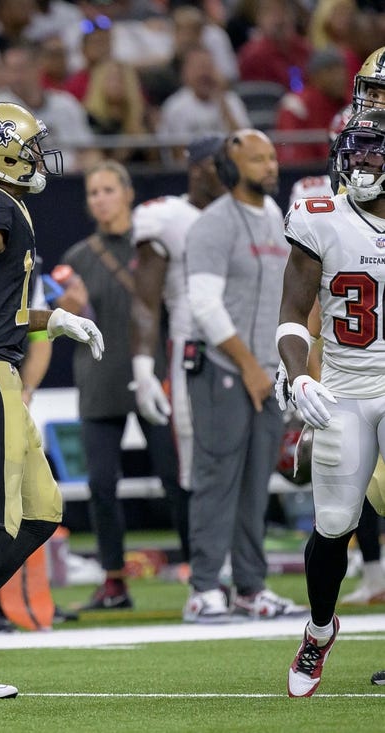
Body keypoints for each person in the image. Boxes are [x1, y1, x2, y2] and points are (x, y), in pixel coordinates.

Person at [0, 101, 104, 697]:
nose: (38, 156)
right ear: (1, 152)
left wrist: (49, 319)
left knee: (40, 512)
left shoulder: (3, 204)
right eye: (30, 146)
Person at [279, 108, 385, 696]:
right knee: (335, 523)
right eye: (356, 148)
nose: (361, 160)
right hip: (344, 387)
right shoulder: (320, 217)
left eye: (375, 150)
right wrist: (299, 378)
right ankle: (319, 633)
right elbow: (294, 314)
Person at [182, 129, 304, 623]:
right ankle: (204, 589)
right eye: (257, 159)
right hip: (223, 370)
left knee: (256, 482)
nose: (270, 166)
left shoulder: (276, 217)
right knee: (217, 478)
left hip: (267, 372)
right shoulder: (213, 224)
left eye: (272, 157)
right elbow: (204, 305)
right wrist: (252, 367)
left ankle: (250, 587)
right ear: (231, 168)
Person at [59, 160, 183, 611]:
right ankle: (114, 581)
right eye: (94, 192)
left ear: (128, 194)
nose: (101, 199)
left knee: (176, 476)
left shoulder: (154, 247)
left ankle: (199, 570)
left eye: (109, 189)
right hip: (99, 378)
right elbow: (59, 327)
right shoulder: (78, 257)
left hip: (155, 374)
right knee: (102, 484)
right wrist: (69, 312)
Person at [129, 136, 227, 583]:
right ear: (201, 167)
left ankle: (243, 573)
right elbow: (147, 301)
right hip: (194, 352)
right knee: (194, 464)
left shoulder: (251, 213)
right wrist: (142, 368)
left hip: (249, 354)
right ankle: (204, 572)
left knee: (244, 464)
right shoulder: (166, 216)